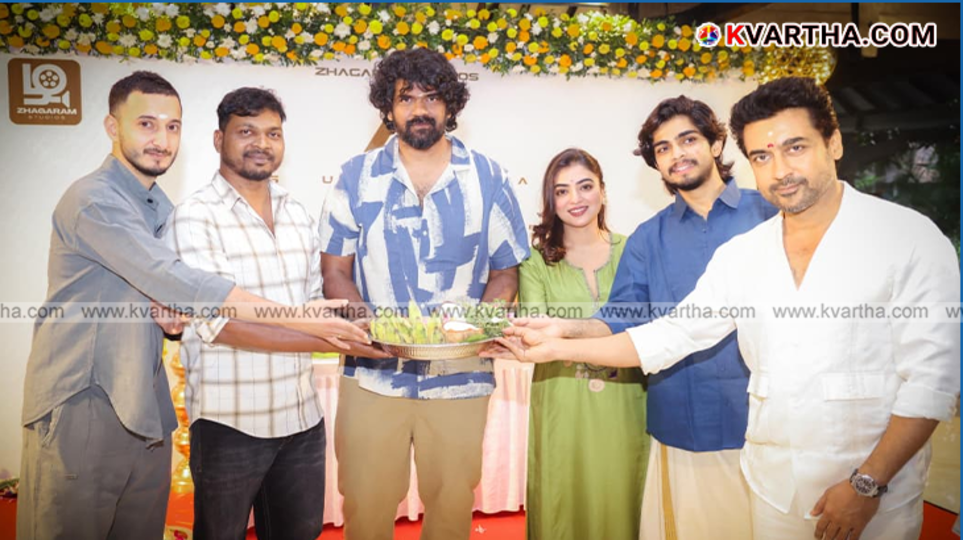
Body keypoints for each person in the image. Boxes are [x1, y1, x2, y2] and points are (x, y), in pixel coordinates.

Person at [489, 77, 960, 540]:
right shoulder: (741, 252)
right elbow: (670, 333)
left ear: (833, 143)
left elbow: (932, 381)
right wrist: (556, 341)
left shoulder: (905, 238)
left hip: (869, 484)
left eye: (795, 147)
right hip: (768, 478)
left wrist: (868, 482)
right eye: (762, 155)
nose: (780, 169)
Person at [18, 71, 366, 540]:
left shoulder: (158, 205)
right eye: (146, 124)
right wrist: (312, 323)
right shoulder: (95, 201)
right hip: (86, 399)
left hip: (145, 405)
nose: (161, 139)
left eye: (172, 126)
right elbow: (180, 282)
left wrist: (172, 325)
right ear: (111, 126)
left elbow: (165, 301)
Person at [319, 48, 530, 540]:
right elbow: (335, 270)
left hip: (461, 374)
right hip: (372, 374)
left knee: (453, 508)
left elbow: (506, 273)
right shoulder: (355, 176)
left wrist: (479, 325)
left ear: (450, 105)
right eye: (406, 97)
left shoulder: (489, 177)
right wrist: (370, 327)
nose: (420, 108)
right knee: (366, 509)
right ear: (388, 108)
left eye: (432, 97)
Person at [166, 87, 389, 540]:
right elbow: (223, 326)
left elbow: (310, 302)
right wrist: (334, 339)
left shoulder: (297, 213)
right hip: (230, 422)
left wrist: (353, 319)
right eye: (246, 131)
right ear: (217, 140)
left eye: (272, 133)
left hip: (301, 418)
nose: (261, 144)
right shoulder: (195, 217)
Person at [519, 148, 649, 540]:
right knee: (564, 499)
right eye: (562, 191)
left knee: (624, 497)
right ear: (551, 201)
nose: (575, 200)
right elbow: (536, 331)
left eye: (585, 187)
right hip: (562, 398)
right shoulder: (536, 261)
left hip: (627, 402)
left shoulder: (635, 249)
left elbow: (647, 323)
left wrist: (569, 332)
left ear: (603, 193)